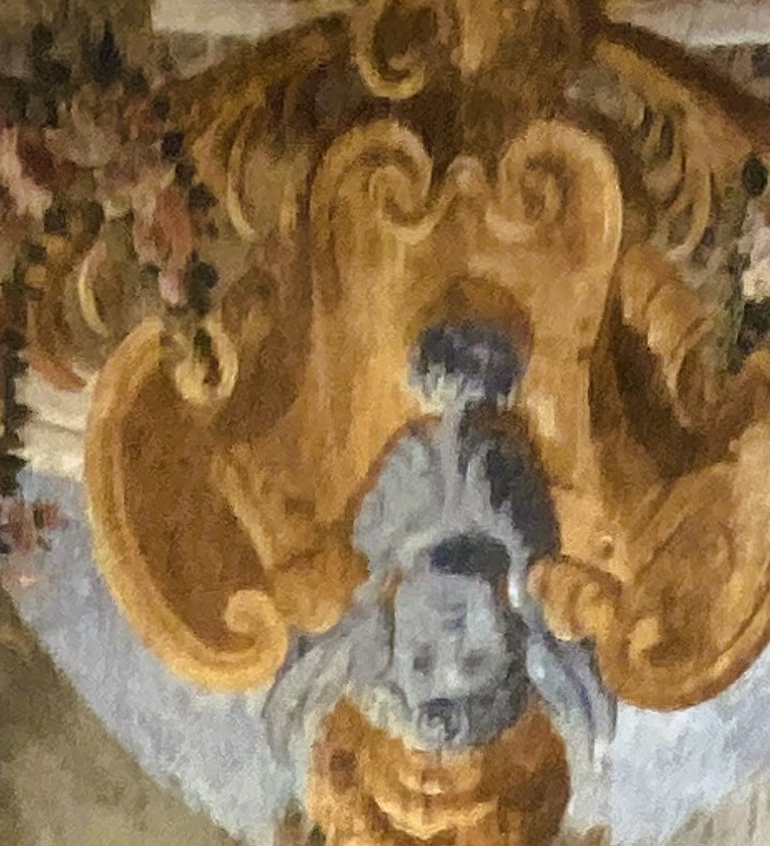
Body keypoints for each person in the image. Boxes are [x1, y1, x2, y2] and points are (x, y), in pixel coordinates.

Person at [262, 322, 615, 794]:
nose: (449, 637)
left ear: (387, 638)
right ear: (511, 638)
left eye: (422, 659)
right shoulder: (532, 540)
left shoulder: (359, 546)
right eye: (475, 659)